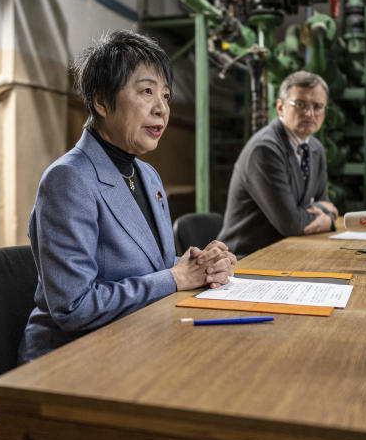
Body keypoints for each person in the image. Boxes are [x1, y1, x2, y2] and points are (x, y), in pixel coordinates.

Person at [18, 30, 237, 364]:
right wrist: (174, 278)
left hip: (139, 337)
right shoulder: (68, 180)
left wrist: (197, 267)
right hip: (73, 359)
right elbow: (74, 308)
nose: (162, 109)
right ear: (102, 101)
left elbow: (154, 267)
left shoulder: (147, 175)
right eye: (146, 92)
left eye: (165, 95)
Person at [217, 70, 340, 256]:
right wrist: (326, 216)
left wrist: (323, 214)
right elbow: (291, 223)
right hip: (245, 259)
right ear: (281, 107)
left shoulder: (316, 149)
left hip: (288, 250)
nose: (310, 113)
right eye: (300, 104)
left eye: (318, 106)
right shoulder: (264, 150)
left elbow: (325, 203)